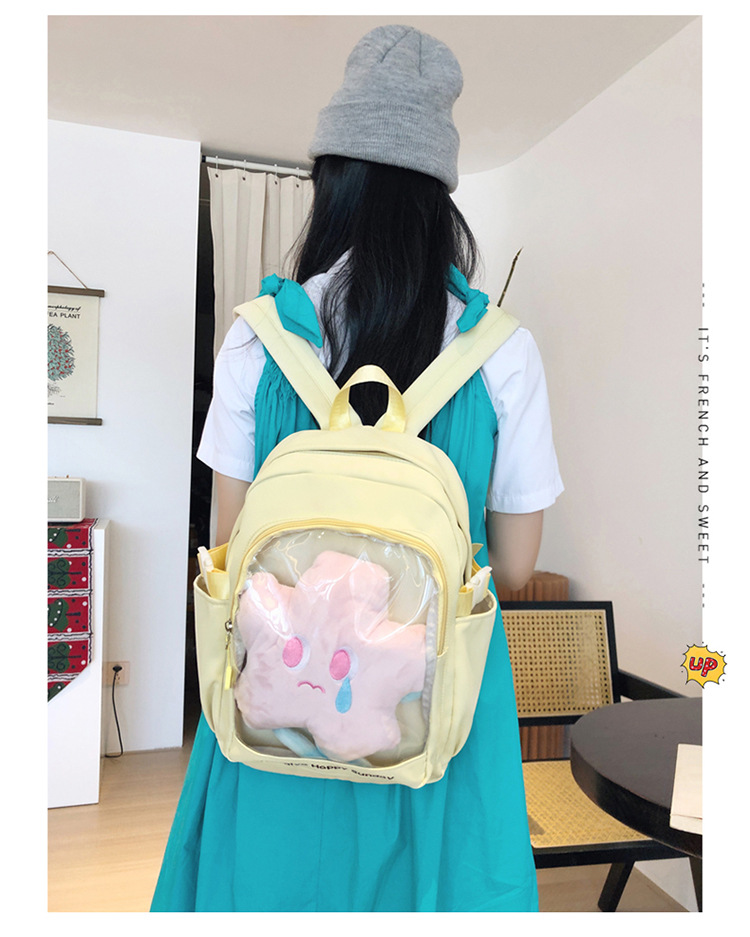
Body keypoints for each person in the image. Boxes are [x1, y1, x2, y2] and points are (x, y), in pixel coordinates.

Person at [151, 24, 563, 913]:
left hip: (277, 709)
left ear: (330, 182)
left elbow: (229, 541)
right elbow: (517, 565)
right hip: (435, 712)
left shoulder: (257, 340)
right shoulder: (503, 352)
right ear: (440, 200)